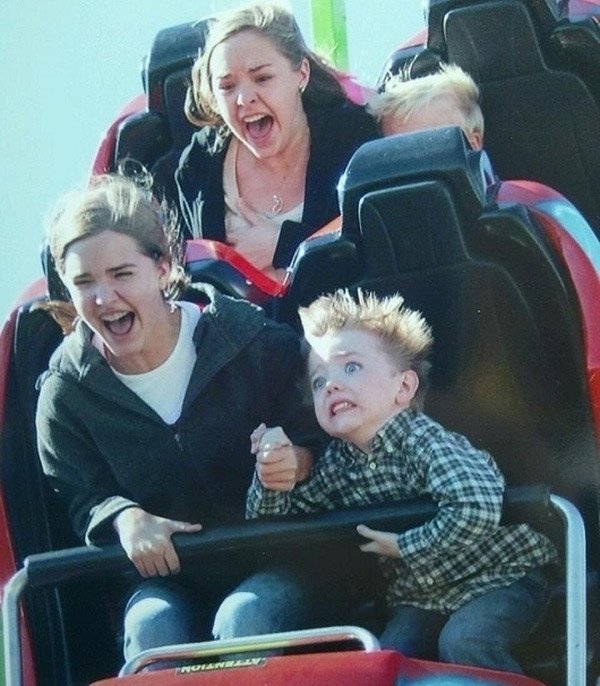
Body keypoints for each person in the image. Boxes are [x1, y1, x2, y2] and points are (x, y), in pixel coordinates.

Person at [35, 173, 329, 666]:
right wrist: (122, 517)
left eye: (122, 274)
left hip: (280, 559)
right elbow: (81, 496)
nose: (104, 298)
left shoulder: (252, 343)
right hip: (168, 581)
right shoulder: (66, 395)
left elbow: (328, 434)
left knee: (244, 619)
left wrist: (297, 460)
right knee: (151, 630)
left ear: (164, 268)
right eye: (85, 282)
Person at [246, 288, 557, 674]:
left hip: (501, 576)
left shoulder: (426, 442)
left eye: (351, 367)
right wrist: (271, 473)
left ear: (404, 388)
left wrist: (405, 546)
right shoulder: (337, 466)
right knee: (387, 658)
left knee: (464, 640)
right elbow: (273, 522)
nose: (332, 385)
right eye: (318, 381)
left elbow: (476, 506)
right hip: (423, 597)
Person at [174, 2, 380, 280]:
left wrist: (285, 244)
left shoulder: (352, 137)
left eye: (262, 78)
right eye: (227, 86)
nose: (244, 98)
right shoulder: (198, 166)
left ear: (302, 74)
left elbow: (377, 237)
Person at [368, 63, 600, 272]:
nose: (416, 162)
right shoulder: (366, 236)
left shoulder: (543, 210)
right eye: (398, 151)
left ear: (473, 143)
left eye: (433, 143)